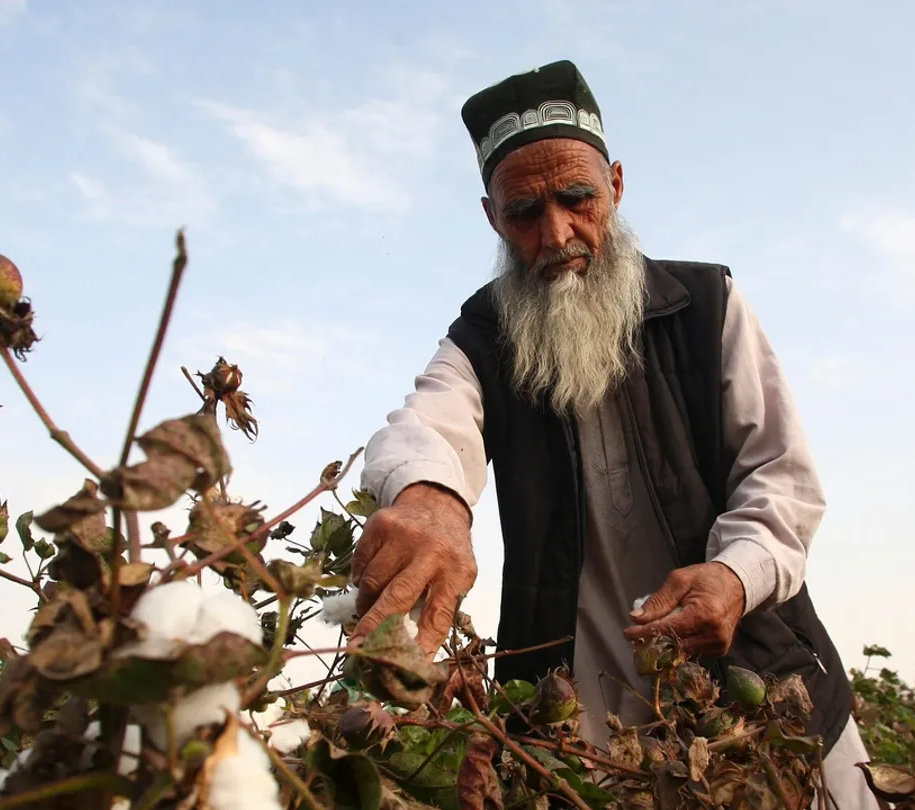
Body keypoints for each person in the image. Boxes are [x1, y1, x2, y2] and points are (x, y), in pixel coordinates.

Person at [350, 60, 879, 808]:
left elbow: (781, 480)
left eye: (577, 198)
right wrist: (431, 495)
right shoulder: (484, 336)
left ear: (617, 186)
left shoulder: (704, 305)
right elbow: (429, 422)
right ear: (491, 218)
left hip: (763, 691)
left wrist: (735, 577)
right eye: (524, 212)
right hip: (589, 726)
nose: (556, 233)